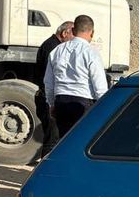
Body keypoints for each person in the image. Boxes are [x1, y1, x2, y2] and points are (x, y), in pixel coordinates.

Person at [44, 15, 108, 137]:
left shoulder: (57, 50)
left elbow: (49, 82)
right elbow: (99, 86)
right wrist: (103, 107)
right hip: (83, 103)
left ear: (73, 31)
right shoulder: (91, 52)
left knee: (64, 140)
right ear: (92, 33)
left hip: (61, 101)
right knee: (82, 140)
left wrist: (51, 103)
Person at [35, 21, 74, 153]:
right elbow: (51, 78)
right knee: (52, 138)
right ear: (64, 33)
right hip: (47, 97)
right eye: (72, 36)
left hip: (46, 96)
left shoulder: (51, 45)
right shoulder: (54, 48)